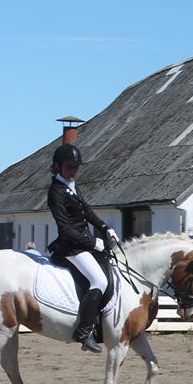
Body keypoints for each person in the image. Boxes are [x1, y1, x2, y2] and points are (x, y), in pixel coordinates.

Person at [47, 142, 119, 353]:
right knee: (99, 281)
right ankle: (84, 332)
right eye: (69, 167)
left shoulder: (72, 186)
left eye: (76, 167)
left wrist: (104, 228)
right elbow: (65, 229)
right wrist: (93, 243)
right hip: (71, 247)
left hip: (83, 242)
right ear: (58, 166)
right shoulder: (56, 192)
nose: (73, 171)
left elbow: (86, 211)